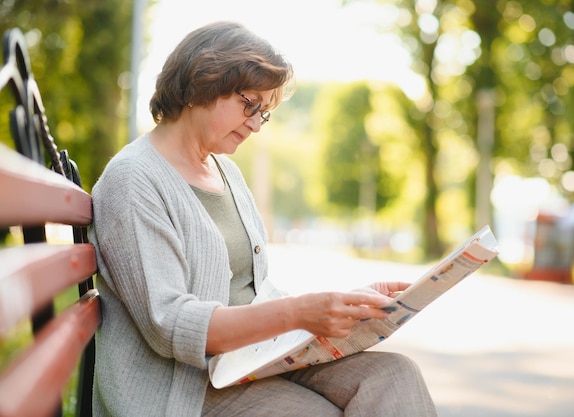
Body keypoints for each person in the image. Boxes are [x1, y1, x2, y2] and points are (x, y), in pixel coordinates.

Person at [88, 21, 437, 417]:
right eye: (248, 104)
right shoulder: (133, 179)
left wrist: (347, 305)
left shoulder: (226, 173)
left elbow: (252, 291)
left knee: (394, 376)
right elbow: (170, 324)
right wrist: (299, 312)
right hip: (185, 387)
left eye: (264, 113)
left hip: (254, 360)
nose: (255, 123)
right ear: (201, 84)